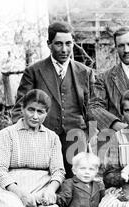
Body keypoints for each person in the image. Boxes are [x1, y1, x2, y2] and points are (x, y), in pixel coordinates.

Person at [11, 21, 95, 178]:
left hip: (76, 140)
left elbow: (93, 109)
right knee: (46, 185)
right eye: (58, 44)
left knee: (77, 185)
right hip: (43, 139)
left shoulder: (85, 72)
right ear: (49, 44)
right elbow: (19, 109)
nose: (64, 49)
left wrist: (89, 135)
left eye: (68, 43)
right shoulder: (34, 72)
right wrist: (26, 135)